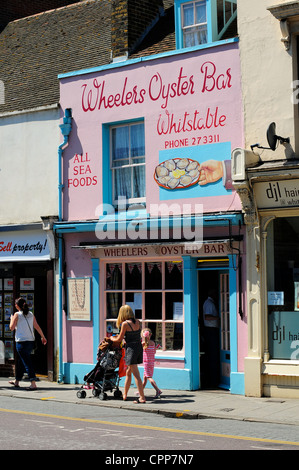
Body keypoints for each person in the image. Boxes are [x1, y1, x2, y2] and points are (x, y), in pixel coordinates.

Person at [108, 305, 146, 403]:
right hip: (138, 348)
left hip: (131, 349)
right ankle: (125, 394)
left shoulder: (125, 324)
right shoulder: (138, 321)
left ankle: (142, 397)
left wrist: (111, 338)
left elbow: (119, 339)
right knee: (128, 372)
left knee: (136, 374)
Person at [9, 297, 47, 390]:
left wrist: (11, 319)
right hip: (30, 342)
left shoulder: (17, 315)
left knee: (26, 362)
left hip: (21, 342)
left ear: (17, 305)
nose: (14, 306)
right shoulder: (30, 314)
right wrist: (43, 336)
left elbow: (11, 328)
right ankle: (17, 381)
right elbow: (37, 326)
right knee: (21, 361)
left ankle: (33, 383)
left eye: (15, 304)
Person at [203, 289, 220, 387]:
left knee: (213, 353)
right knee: (213, 354)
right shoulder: (209, 303)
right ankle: (213, 378)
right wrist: (219, 317)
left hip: (211, 329)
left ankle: (213, 377)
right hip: (211, 329)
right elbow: (207, 317)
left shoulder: (209, 302)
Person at [141, 328, 162, 399]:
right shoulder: (153, 343)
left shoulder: (143, 344)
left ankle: (158, 390)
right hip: (152, 362)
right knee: (145, 378)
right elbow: (154, 352)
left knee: (149, 377)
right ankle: (140, 391)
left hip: (146, 362)